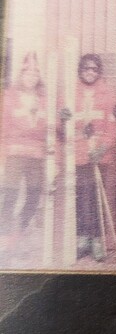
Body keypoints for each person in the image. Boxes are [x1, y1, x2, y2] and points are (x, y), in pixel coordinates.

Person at [60, 53, 116, 262]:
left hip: (98, 153)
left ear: (99, 71)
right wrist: (62, 117)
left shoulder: (107, 93)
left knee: (96, 196)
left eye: (94, 69)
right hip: (79, 153)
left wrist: (102, 148)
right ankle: (83, 238)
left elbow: (112, 127)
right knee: (82, 196)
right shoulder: (70, 92)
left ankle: (97, 240)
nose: (90, 73)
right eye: (86, 69)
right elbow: (61, 125)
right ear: (80, 71)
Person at [0, 52, 47, 252]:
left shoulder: (44, 98)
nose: (31, 76)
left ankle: (17, 234)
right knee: (10, 195)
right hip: (14, 153)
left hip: (36, 154)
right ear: (21, 73)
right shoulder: (10, 95)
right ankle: (4, 241)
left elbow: (51, 127)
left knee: (35, 195)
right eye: (28, 71)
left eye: (35, 72)